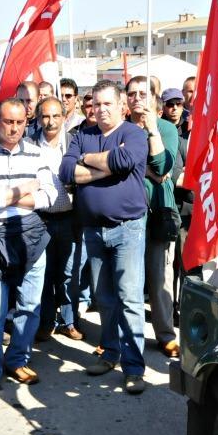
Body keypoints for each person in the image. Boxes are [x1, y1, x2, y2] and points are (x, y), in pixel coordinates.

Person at [59, 80, 149, 394]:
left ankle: (134, 368)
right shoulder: (82, 135)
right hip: (93, 230)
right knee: (105, 298)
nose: (101, 109)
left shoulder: (135, 134)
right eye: (96, 104)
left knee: (130, 298)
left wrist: (89, 159)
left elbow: (125, 161)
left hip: (128, 229)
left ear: (122, 104)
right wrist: (102, 164)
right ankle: (110, 353)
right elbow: (66, 172)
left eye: (107, 103)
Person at [0, 98, 56, 399]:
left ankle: (18, 359)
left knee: (30, 307)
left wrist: (10, 195)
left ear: (26, 121)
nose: (14, 128)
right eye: (8, 121)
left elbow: (50, 197)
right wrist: (27, 188)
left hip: (32, 236)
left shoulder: (37, 153)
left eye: (20, 122)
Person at [126, 76, 179, 359]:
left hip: (158, 212)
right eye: (131, 93)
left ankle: (165, 334)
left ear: (153, 99)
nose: (137, 99)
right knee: (129, 279)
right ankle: (126, 337)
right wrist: (146, 170)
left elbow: (163, 167)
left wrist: (150, 131)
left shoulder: (166, 128)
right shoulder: (120, 129)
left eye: (143, 94)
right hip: (127, 211)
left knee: (159, 277)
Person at [31, 97, 82, 342]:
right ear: (38, 118)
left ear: (64, 117)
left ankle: (69, 320)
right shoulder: (29, 145)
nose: (50, 122)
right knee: (44, 274)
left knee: (69, 273)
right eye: (45, 117)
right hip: (40, 219)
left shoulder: (74, 143)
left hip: (70, 218)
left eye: (55, 116)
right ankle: (46, 322)